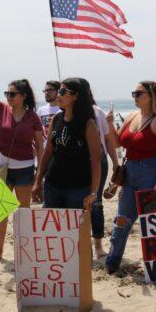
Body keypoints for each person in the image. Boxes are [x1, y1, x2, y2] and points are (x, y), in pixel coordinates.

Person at [105, 81, 156, 274]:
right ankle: (112, 262)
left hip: (152, 172)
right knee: (122, 219)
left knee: (153, 222)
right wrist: (110, 124)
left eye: (138, 93)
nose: (134, 97)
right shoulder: (132, 116)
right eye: (133, 93)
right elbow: (118, 142)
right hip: (131, 173)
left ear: (151, 95)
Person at [0, 65, 44, 265]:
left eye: (12, 94)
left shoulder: (32, 117)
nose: (8, 97)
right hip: (1, 168)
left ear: (23, 96)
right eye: (7, 93)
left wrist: (39, 175)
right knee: (0, 212)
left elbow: (40, 147)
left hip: (24, 168)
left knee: (23, 213)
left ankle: (24, 251)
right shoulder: (1, 110)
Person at [32, 79, 101, 213]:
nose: (59, 95)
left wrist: (93, 192)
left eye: (63, 92)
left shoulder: (88, 124)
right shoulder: (57, 119)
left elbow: (96, 160)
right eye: (58, 91)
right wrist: (38, 181)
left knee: (74, 230)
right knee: (51, 228)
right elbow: (47, 153)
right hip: (52, 185)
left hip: (78, 187)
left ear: (76, 96)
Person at [79, 78, 119, 258]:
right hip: (76, 163)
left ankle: (98, 246)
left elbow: (108, 140)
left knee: (95, 203)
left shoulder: (97, 112)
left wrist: (116, 163)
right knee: (77, 204)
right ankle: (81, 245)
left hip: (98, 161)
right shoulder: (66, 112)